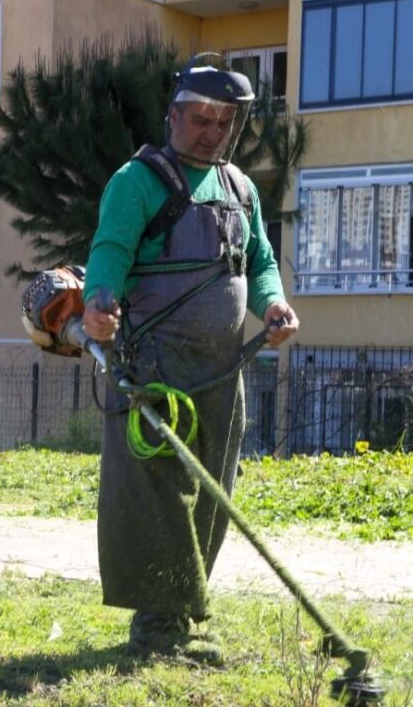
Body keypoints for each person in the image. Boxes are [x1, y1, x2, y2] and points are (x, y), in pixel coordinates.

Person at [80, 58, 300, 663]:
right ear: (174, 115)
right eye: (200, 118)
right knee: (160, 495)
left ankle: (183, 610)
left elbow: (258, 262)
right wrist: (99, 305)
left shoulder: (241, 189)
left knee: (211, 492)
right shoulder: (137, 182)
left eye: (223, 122)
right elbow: (109, 254)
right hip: (155, 372)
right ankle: (157, 626)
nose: (211, 131)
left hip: (224, 374)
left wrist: (274, 305)